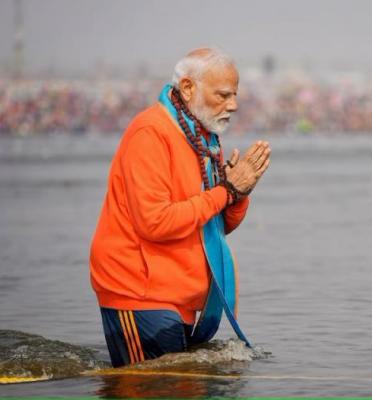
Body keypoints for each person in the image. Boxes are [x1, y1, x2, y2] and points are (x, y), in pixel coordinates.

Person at [89, 48, 270, 367]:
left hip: (180, 297)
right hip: (138, 293)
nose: (234, 105)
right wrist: (226, 191)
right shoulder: (151, 132)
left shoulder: (202, 135)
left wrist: (238, 194)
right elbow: (155, 222)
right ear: (188, 88)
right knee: (155, 387)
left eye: (235, 95)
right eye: (224, 95)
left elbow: (213, 224)